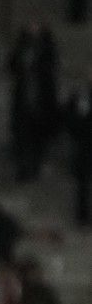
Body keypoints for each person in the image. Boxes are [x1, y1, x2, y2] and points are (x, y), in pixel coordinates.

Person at [7, 22, 60, 183]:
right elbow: (12, 64)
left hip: (41, 101)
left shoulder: (47, 47)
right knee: (22, 137)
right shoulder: (21, 45)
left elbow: (50, 68)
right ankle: (22, 169)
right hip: (24, 100)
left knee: (38, 137)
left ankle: (34, 167)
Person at [66, 70, 92, 227]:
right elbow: (72, 116)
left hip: (83, 141)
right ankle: (82, 216)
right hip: (84, 143)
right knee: (82, 183)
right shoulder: (82, 96)